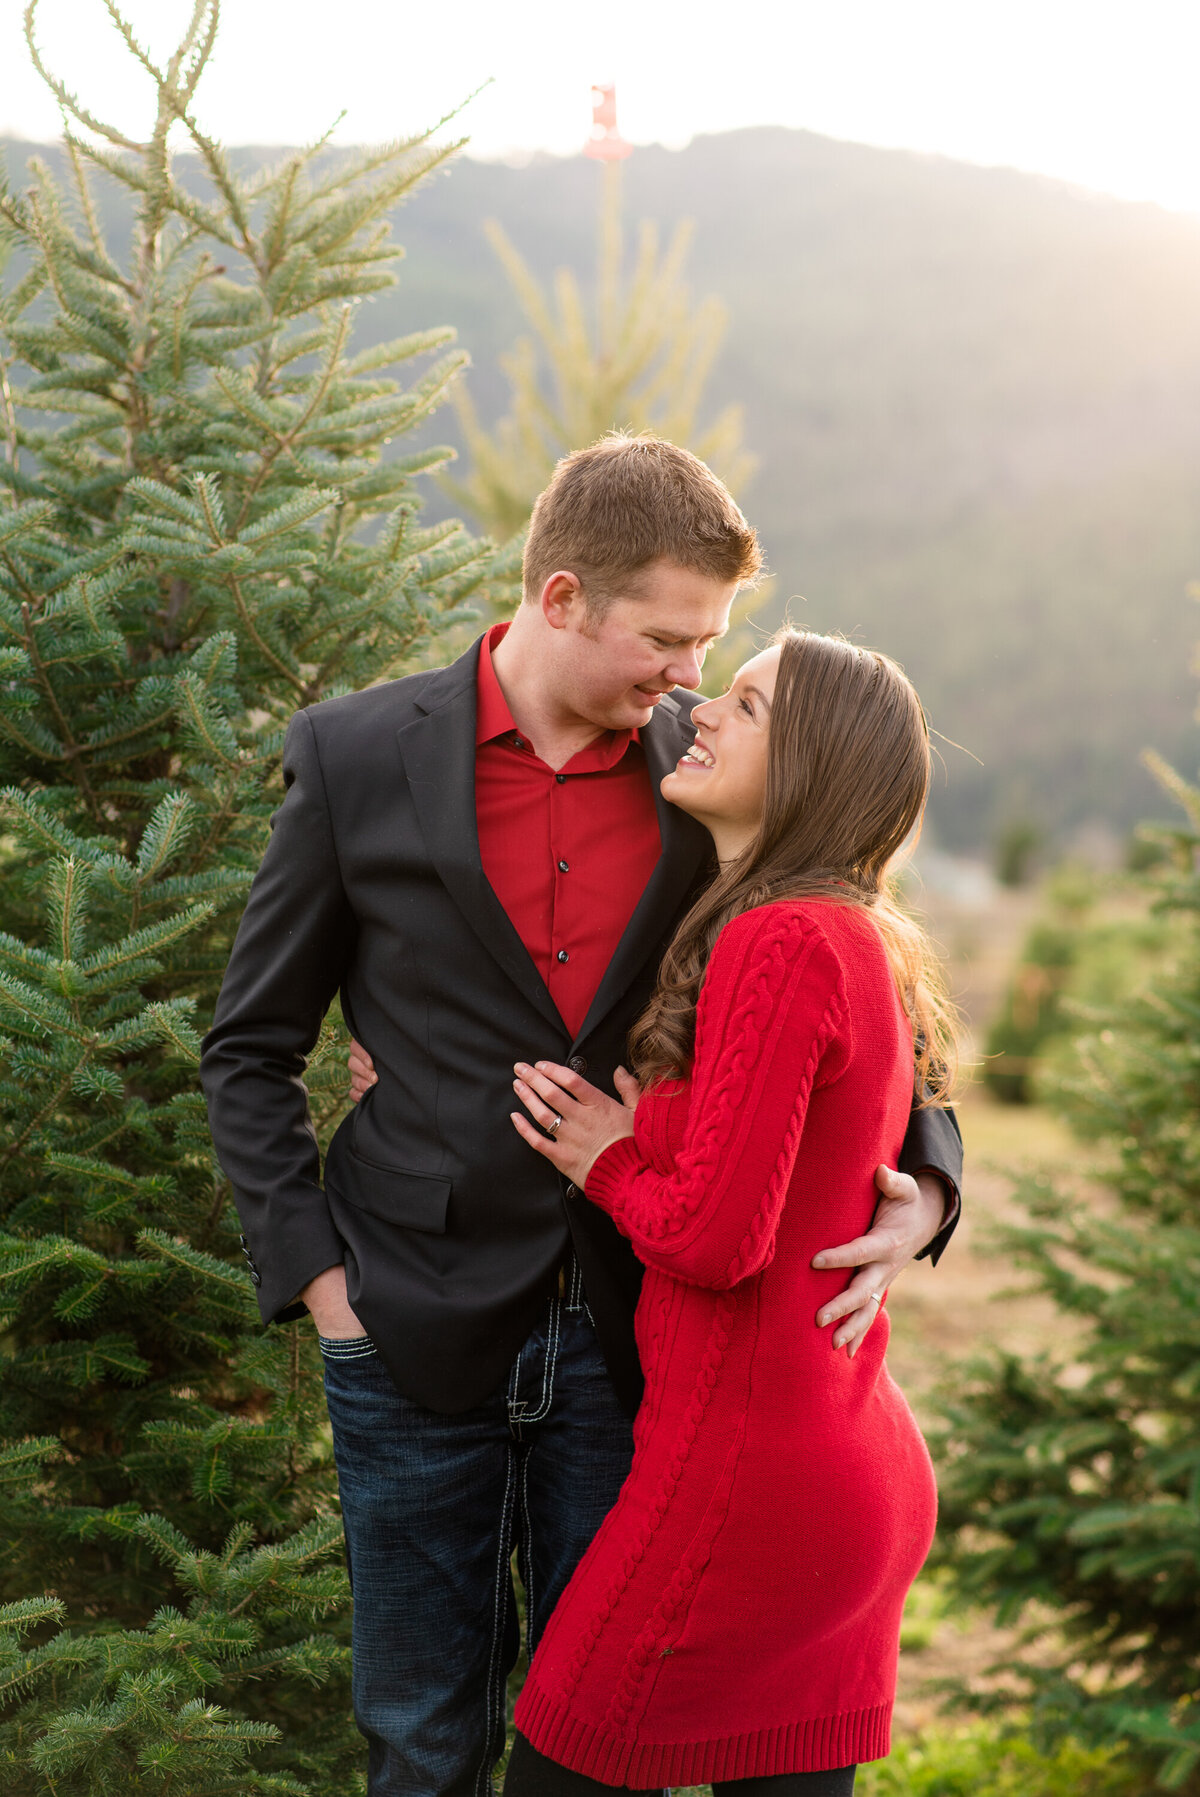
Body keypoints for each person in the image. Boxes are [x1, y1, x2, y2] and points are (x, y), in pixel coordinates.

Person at [200, 435, 962, 1797]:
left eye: (708, 647)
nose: (687, 677)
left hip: (636, 1347)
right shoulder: (360, 754)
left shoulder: (721, 781)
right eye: (669, 639)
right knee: (423, 1735)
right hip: (407, 1322)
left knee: (603, 1739)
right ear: (563, 600)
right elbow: (250, 1046)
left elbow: (873, 1007)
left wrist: (929, 1190)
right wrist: (320, 1283)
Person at [501, 628, 955, 1792]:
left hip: (746, 1483)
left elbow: (714, 1239)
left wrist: (604, 1159)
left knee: (560, 1759)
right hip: (839, 1464)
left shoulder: (781, 938)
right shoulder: (854, 934)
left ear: (807, 764)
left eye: (745, 706)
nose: (701, 707)